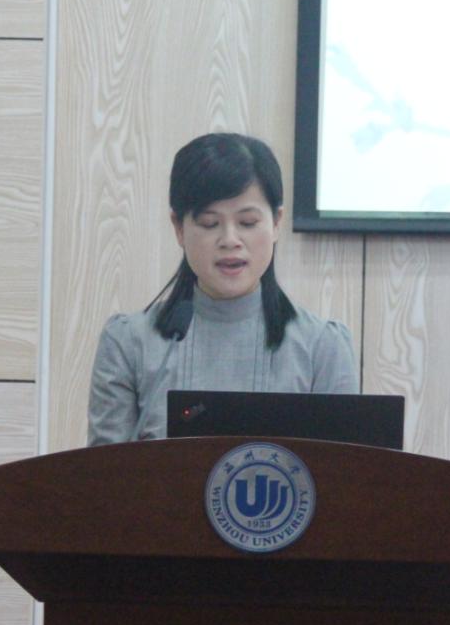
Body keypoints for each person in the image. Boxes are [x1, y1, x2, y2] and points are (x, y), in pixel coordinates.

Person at [87, 132, 358, 445]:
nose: (230, 240)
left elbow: (344, 472)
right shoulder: (129, 344)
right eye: (209, 223)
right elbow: (105, 473)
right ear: (178, 227)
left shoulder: (322, 347)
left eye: (247, 223)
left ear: (276, 223)